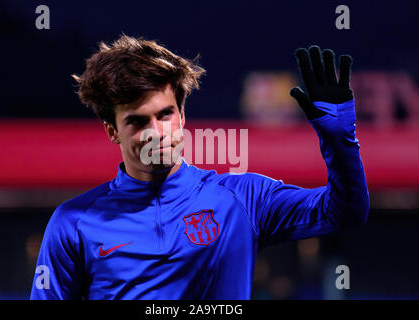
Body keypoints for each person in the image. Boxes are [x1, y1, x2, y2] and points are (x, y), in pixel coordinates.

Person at [30, 35, 369, 299]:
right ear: (112, 131)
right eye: (137, 121)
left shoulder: (243, 199)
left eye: (165, 114)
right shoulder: (73, 223)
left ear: (182, 114)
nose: (156, 132)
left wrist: (340, 142)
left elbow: (345, 212)